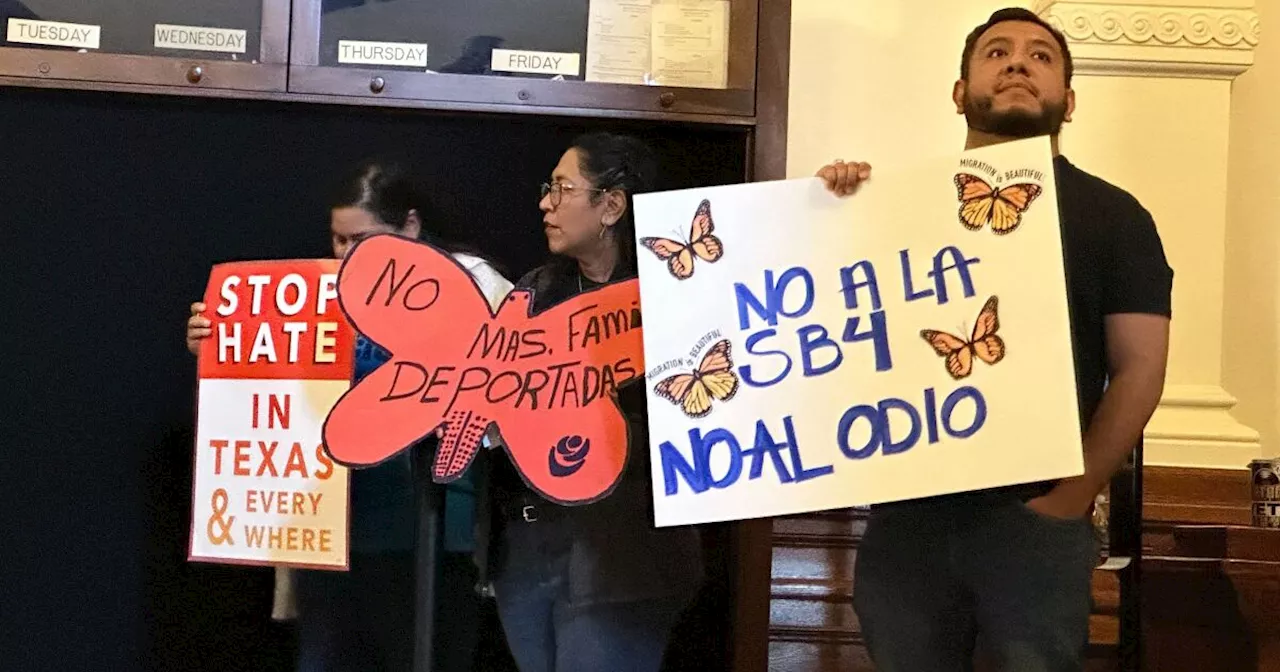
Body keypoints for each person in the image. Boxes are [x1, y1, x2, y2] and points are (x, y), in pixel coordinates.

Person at [816, 8, 1173, 671]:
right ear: (959, 93)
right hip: (907, 519)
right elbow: (828, 331)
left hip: (1033, 519)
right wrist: (828, 209)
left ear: (1068, 100)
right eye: (997, 53)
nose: (1017, 63)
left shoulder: (1116, 218)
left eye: (1041, 57)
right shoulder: (891, 206)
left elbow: (1140, 367)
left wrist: (1069, 498)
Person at [185, 159, 513, 672]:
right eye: (338, 241)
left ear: (410, 226)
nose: (346, 254)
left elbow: (512, 401)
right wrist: (220, 341)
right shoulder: (312, 294)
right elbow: (272, 387)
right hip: (329, 531)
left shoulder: (472, 284)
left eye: (361, 239)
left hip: (430, 533)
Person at [471, 132, 704, 672]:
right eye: (548, 188)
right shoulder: (533, 292)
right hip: (526, 552)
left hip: (626, 554)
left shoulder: (681, 294)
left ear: (611, 206)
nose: (545, 203)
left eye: (561, 188)